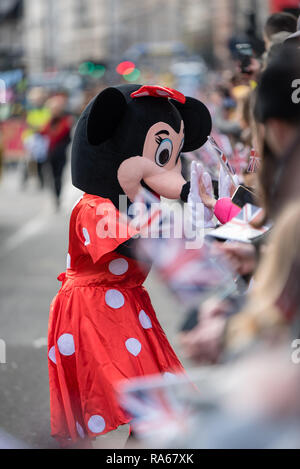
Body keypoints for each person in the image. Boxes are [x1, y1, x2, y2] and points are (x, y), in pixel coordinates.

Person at [47, 84, 212, 447]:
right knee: (130, 404)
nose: (164, 169)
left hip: (128, 307)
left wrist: (202, 208)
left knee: (157, 401)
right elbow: (137, 247)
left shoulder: (137, 204)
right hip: (93, 312)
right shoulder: (93, 207)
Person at [40, 95, 72, 209]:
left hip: (60, 153)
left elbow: (59, 134)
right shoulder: (51, 120)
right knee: (51, 176)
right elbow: (43, 131)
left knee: (58, 176)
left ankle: (58, 196)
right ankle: (55, 196)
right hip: (51, 153)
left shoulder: (65, 120)